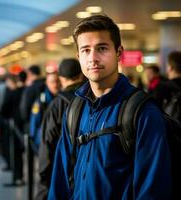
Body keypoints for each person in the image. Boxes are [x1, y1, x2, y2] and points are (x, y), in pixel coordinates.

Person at [48, 15, 172, 199]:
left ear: (119, 53)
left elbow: (153, 189)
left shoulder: (142, 112)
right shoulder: (75, 109)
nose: (93, 58)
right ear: (78, 56)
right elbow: (60, 180)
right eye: (86, 50)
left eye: (102, 48)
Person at [35, 58, 84, 200]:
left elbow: (47, 143)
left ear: (61, 78)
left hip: (63, 171)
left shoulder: (57, 105)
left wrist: (44, 176)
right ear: (81, 75)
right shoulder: (93, 99)